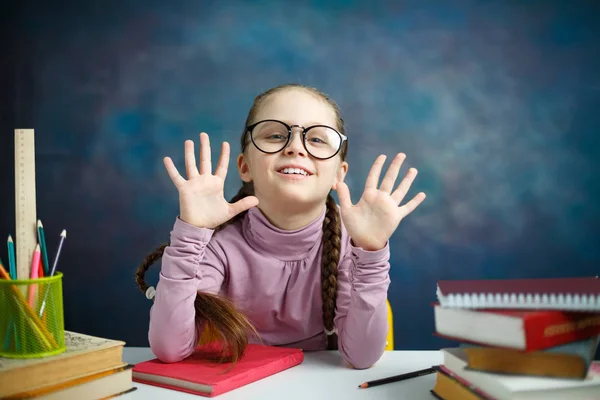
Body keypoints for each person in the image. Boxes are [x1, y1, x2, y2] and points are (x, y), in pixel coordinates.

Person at [135, 84, 426, 369]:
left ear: (339, 173)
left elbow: (361, 358)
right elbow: (170, 349)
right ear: (245, 166)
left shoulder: (353, 243)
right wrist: (190, 234)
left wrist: (371, 253)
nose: (295, 147)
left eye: (317, 139)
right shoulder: (215, 242)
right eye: (275, 135)